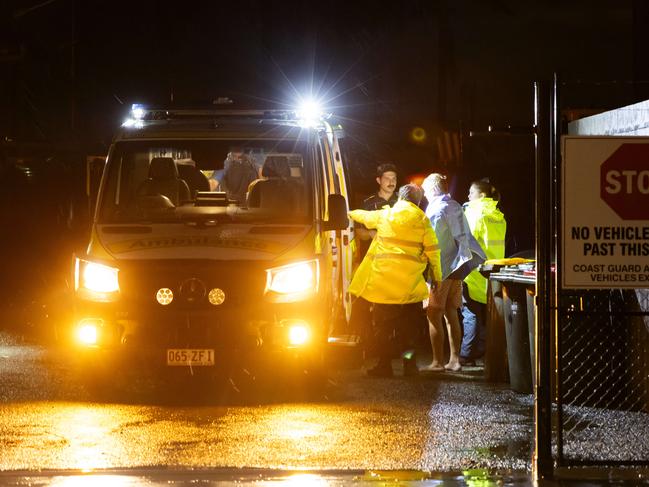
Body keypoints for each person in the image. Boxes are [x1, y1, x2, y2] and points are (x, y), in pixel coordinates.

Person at [348, 183, 442, 377]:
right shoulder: (422, 219)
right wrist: (437, 277)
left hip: (384, 286)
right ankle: (409, 367)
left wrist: (348, 211)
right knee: (410, 330)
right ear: (417, 201)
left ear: (400, 197)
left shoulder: (386, 215)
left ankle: (384, 366)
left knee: (383, 329)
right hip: (410, 286)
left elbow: (364, 216)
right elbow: (434, 251)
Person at [421, 173, 485, 372]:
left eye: (424, 191)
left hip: (441, 269)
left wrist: (428, 270)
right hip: (458, 268)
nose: (424, 195)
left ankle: (437, 362)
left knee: (433, 314)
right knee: (451, 314)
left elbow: (433, 242)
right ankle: (455, 361)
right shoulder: (455, 205)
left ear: (432, 189)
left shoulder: (436, 210)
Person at [350, 163, 398, 351]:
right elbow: (357, 231)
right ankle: (371, 345)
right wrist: (372, 235)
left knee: (393, 308)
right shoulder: (368, 204)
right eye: (387, 178)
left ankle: (392, 347)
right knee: (370, 306)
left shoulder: (401, 204)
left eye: (394, 178)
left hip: (396, 264)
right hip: (373, 263)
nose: (391, 182)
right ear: (378, 180)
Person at [460, 178, 507, 366]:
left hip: (473, 271)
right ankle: (483, 351)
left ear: (481, 195)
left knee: (470, 313)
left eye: (471, 192)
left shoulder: (473, 214)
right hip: (492, 270)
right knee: (489, 316)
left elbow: (466, 242)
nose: (468, 196)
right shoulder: (499, 215)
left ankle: (466, 354)